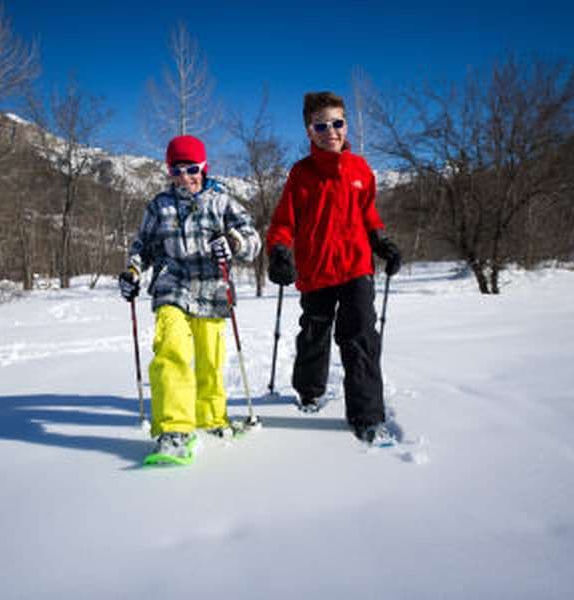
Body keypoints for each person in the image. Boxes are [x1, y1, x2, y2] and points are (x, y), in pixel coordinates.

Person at [266, 91, 403, 445]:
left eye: (337, 123)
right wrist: (279, 251)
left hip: (357, 267)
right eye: (321, 125)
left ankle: (367, 415)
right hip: (316, 270)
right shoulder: (301, 174)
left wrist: (381, 241)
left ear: (346, 125)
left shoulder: (360, 169)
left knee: (360, 339)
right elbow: (284, 221)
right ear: (309, 131)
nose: (331, 131)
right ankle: (310, 392)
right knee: (314, 333)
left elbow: (368, 213)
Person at [119, 135, 261, 462]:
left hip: (212, 288)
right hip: (172, 285)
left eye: (192, 169)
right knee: (172, 349)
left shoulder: (223, 201)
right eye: (177, 170)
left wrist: (234, 242)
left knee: (210, 359)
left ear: (204, 168)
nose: (185, 177)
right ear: (169, 172)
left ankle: (211, 417)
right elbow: (142, 246)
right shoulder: (159, 206)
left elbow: (253, 240)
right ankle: (175, 429)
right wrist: (133, 272)